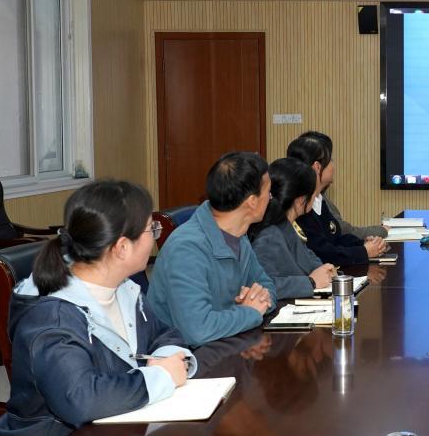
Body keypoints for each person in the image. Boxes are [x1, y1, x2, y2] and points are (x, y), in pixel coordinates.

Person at [0, 180, 197, 436]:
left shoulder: (124, 289)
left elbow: (163, 334)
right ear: (122, 247)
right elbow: (80, 399)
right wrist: (161, 377)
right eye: (151, 229)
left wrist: (170, 359)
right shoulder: (52, 316)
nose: (155, 237)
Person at [148, 151, 277, 345]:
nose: (270, 198)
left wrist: (257, 301)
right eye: (268, 192)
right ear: (252, 202)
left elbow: (268, 287)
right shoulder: (186, 249)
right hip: (186, 355)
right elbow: (198, 330)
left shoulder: (238, 235)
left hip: (226, 343)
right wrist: (249, 312)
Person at [286, 133, 388, 266]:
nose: (333, 166)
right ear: (317, 167)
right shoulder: (302, 207)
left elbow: (337, 238)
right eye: (331, 160)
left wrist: (363, 243)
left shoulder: (319, 201)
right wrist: (363, 251)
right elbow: (322, 252)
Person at [249, 157, 338, 299]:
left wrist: (326, 270)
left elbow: (310, 259)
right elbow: (263, 287)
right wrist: (311, 282)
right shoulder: (269, 236)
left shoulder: (287, 225)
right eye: (313, 193)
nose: (316, 197)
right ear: (300, 201)